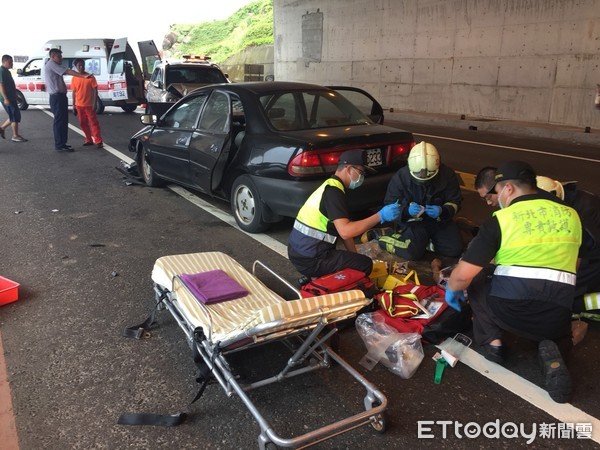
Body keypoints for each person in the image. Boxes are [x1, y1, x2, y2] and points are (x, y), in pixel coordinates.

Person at [445, 161, 582, 403]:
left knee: (477, 277)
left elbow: (462, 275)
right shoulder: (572, 215)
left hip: (510, 311)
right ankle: (554, 352)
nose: (496, 198)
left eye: (496, 192)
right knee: (559, 331)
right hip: (556, 314)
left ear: (508, 188)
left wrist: (452, 288)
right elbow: (578, 262)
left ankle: (494, 343)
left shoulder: (502, 219)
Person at [288, 149, 400, 278]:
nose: (362, 177)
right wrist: (380, 216)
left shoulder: (331, 186)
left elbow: (346, 229)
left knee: (357, 261)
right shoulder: (334, 192)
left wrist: (354, 255)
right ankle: (336, 289)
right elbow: (346, 232)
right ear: (348, 169)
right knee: (365, 265)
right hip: (310, 259)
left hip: (299, 251)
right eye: (361, 172)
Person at [383, 141, 463, 260]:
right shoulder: (400, 178)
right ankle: (383, 237)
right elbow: (389, 205)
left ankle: (427, 243)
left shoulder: (448, 175)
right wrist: (406, 211)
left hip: (439, 221)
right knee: (412, 253)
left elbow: (455, 201)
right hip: (413, 222)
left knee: (454, 249)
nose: (424, 181)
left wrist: (443, 211)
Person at [536, 176, 600, 318]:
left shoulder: (582, 211)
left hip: (594, 256)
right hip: (590, 251)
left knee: (563, 296)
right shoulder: (573, 200)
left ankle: (582, 308)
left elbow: (579, 251)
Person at [44, 48, 91, 152]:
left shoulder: (54, 65)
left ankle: (63, 143)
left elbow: (66, 70)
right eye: (59, 56)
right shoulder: (51, 64)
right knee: (60, 121)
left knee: (63, 121)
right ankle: (60, 145)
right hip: (57, 97)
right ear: (52, 57)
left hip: (60, 96)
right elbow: (68, 71)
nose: (61, 58)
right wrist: (83, 76)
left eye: (61, 56)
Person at [71, 58, 103, 148]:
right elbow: (73, 92)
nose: (81, 67)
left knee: (94, 123)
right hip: (79, 105)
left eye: (82, 65)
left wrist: (94, 103)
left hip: (89, 105)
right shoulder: (74, 78)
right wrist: (73, 105)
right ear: (76, 67)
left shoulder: (90, 77)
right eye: (79, 66)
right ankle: (88, 139)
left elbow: (95, 91)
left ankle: (98, 141)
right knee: (83, 123)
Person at [0, 55, 27, 142]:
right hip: (7, 98)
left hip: (11, 97)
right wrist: (5, 98)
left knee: (15, 115)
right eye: (10, 62)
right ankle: (15, 135)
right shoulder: (1, 71)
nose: (12, 63)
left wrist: (16, 96)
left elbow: (11, 86)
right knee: (14, 115)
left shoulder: (7, 71)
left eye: (12, 61)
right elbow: (1, 86)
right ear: (4, 62)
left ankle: (2, 128)